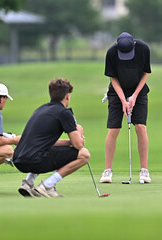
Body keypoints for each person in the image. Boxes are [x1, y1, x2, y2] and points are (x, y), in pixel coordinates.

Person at [13, 78, 90, 198]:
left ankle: (28, 184)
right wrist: (79, 131)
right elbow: (78, 145)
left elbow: (45, 142)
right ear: (68, 96)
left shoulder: (41, 109)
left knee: (43, 149)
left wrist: (69, 142)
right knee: (84, 154)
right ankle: (47, 185)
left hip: (19, 160)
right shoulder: (64, 113)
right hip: (35, 160)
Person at [100, 32, 152, 184]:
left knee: (141, 127)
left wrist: (134, 96)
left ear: (134, 45)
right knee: (113, 129)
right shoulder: (111, 53)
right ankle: (107, 171)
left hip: (139, 89)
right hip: (117, 92)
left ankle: (144, 170)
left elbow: (146, 73)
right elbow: (113, 78)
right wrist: (123, 100)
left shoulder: (143, 49)